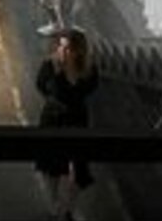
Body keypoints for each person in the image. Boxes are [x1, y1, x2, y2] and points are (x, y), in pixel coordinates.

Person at [35, 29, 98, 220]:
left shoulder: (88, 69)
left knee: (79, 168)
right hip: (53, 119)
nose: (62, 51)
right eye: (60, 46)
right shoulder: (50, 65)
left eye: (68, 47)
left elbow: (88, 89)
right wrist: (53, 93)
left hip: (77, 119)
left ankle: (69, 208)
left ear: (79, 50)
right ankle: (54, 205)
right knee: (51, 166)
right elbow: (40, 85)